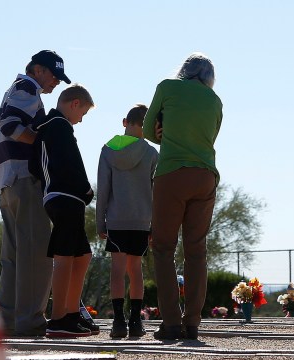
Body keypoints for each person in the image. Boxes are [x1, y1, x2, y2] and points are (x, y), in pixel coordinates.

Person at [142, 52, 223, 341]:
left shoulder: (167, 87)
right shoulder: (215, 101)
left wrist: (163, 134)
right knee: (196, 250)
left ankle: (171, 323)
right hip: (205, 175)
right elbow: (208, 138)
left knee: (163, 249)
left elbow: (148, 129)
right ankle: (192, 323)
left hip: (172, 173)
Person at [0, 50, 71, 337]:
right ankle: (30, 321)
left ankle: (10, 321)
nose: (56, 83)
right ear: (37, 70)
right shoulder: (27, 87)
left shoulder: (16, 89)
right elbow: (11, 126)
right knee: (38, 252)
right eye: (53, 75)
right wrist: (45, 141)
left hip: (8, 179)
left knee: (13, 256)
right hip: (25, 178)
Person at [36, 84, 95, 338]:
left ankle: (71, 313)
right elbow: (69, 163)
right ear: (74, 103)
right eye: (82, 113)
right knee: (64, 255)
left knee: (82, 255)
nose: (81, 120)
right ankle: (58, 317)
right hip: (63, 196)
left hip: (69, 197)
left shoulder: (57, 125)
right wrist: (84, 188)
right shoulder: (56, 124)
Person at [96, 104, 159, 338]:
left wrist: (100, 220)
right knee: (136, 270)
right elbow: (156, 191)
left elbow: (103, 189)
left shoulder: (108, 149)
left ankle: (118, 322)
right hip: (142, 219)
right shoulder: (152, 153)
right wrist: (156, 223)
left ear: (125, 122)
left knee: (117, 271)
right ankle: (136, 321)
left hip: (116, 219)